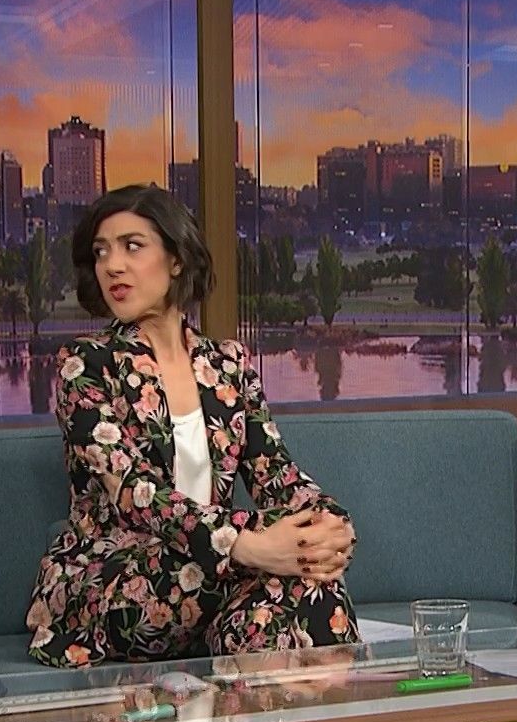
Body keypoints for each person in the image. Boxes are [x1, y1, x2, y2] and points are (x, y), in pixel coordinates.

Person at [27, 185, 359, 668]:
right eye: (101, 252)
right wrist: (248, 545)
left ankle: (285, 687)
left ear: (177, 259)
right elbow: (137, 495)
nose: (113, 265)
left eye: (132, 246)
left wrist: (330, 525)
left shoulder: (228, 365)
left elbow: (277, 474)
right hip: (118, 580)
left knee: (304, 584)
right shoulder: (84, 365)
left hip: (214, 584)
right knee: (265, 568)